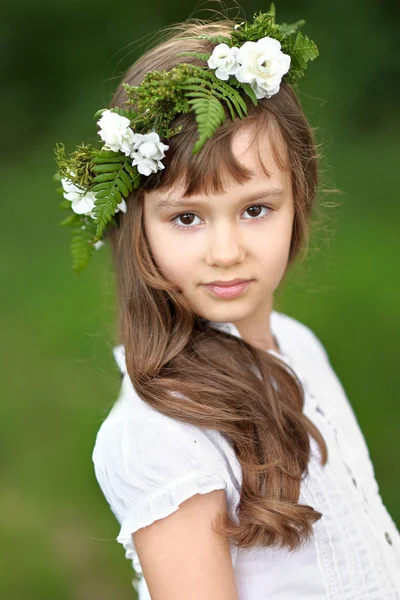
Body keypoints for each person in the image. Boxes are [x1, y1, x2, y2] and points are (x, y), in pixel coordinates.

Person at [55, 6, 400, 599]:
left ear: (300, 201)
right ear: (139, 225)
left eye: (255, 209)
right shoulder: (162, 435)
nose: (226, 250)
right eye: (187, 217)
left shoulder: (300, 345)